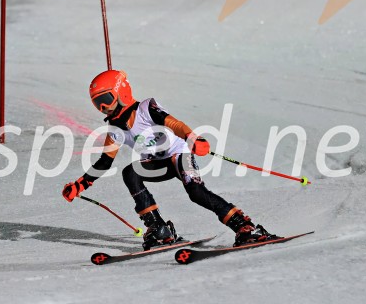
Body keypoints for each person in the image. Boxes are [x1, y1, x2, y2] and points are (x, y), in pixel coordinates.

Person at [62, 69, 277, 250]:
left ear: (121, 93)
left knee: (196, 193)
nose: (103, 108)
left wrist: (193, 137)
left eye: (105, 100)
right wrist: (81, 184)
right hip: (157, 165)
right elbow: (104, 162)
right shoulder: (115, 130)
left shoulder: (146, 108)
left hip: (178, 155)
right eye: (97, 104)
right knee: (130, 172)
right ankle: (159, 229)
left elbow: (173, 123)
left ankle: (245, 227)